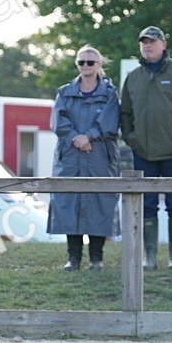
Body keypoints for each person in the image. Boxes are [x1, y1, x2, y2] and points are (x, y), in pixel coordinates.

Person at [120, 25, 172, 269]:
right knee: (147, 204)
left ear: (163, 45)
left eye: (153, 41)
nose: (148, 46)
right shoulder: (133, 77)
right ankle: (150, 257)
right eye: (144, 42)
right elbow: (125, 114)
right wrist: (132, 139)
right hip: (143, 153)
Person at [47, 46, 121, 271]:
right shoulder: (65, 92)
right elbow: (58, 121)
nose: (85, 66)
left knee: (100, 202)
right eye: (81, 62)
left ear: (99, 65)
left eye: (90, 62)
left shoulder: (109, 93)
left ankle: (97, 258)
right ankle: (73, 258)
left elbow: (111, 121)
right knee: (70, 202)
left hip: (99, 156)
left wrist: (89, 136)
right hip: (71, 156)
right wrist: (76, 138)